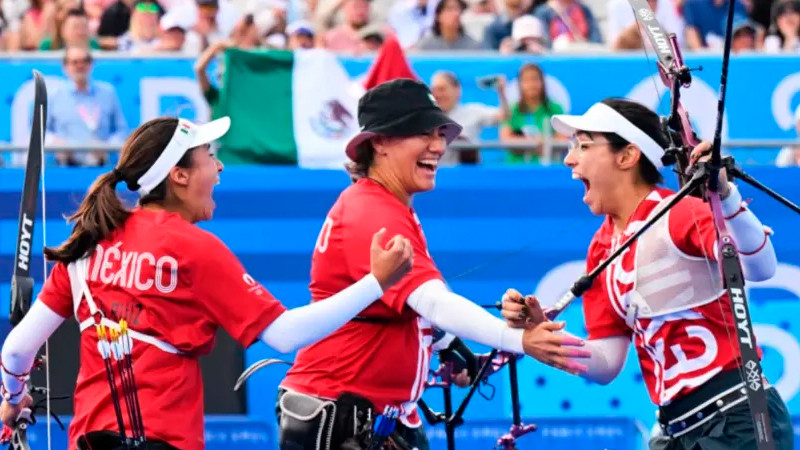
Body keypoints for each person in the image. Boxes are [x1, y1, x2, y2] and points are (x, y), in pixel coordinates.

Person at [0, 116, 416, 450]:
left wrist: (13, 396)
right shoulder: (192, 247)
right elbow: (285, 335)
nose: (218, 167)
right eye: (209, 156)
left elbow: (17, 348)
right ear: (179, 175)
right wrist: (375, 283)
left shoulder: (90, 241)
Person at [277, 79, 591, 450]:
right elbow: (433, 301)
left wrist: (444, 341)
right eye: (422, 133)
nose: (439, 145)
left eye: (441, 133)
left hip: (367, 416)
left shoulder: (385, 204)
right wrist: (519, 339)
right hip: (342, 417)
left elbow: (403, 306)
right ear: (378, 143)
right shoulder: (373, 210)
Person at [501, 98, 794, 450]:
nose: (569, 158)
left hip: (739, 417)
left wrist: (726, 194)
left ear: (627, 156)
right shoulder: (602, 246)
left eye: (582, 144)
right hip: (675, 430)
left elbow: (760, 267)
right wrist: (543, 339)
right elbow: (606, 363)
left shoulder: (680, 212)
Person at [499, 62, 566, 165]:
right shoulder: (512, 110)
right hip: (517, 168)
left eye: (535, 79)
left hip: (549, 167)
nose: (531, 85)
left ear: (542, 82)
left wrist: (540, 144)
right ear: (519, 84)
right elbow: (506, 140)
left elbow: (563, 140)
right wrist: (535, 142)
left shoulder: (555, 109)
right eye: (526, 80)